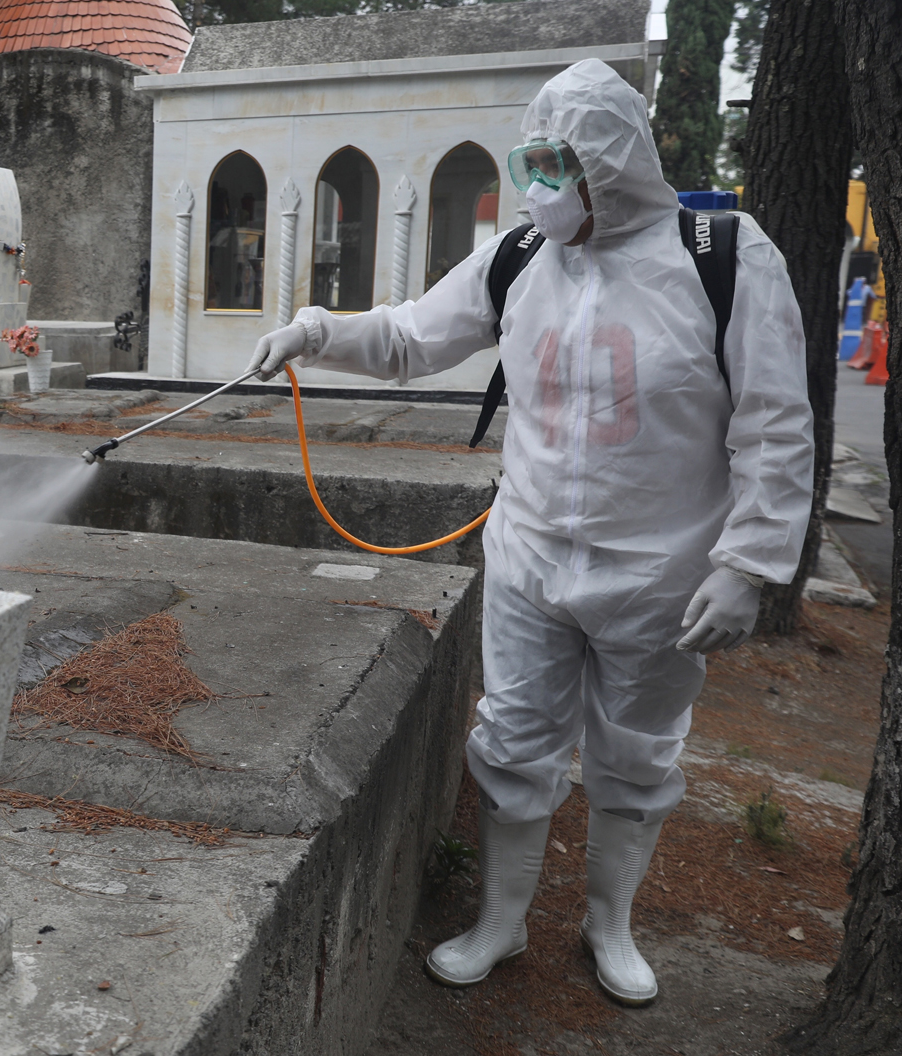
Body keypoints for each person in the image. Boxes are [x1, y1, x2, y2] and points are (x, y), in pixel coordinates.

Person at [245, 59, 813, 1006]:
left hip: (663, 572)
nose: (542, 187)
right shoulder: (519, 259)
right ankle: (501, 923)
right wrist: (314, 332)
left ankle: (609, 923)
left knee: (637, 753)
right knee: (513, 739)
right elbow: (411, 337)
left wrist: (750, 563)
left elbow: (775, 419)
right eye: (533, 164)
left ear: (613, 162)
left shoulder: (723, 256)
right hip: (530, 556)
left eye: (561, 166)